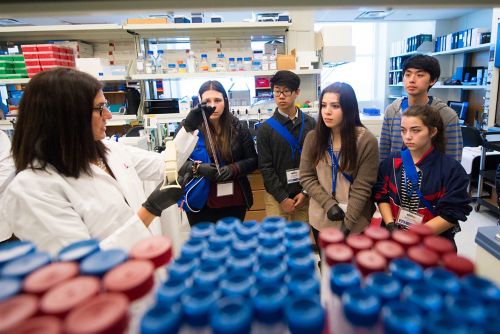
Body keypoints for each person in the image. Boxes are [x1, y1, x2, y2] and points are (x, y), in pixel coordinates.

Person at [0, 67, 213, 254]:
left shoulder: (109, 150)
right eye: (100, 107)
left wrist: (188, 128)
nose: (108, 115)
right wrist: (149, 210)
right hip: (105, 293)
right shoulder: (33, 189)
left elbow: (161, 165)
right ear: (68, 115)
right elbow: (82, 263)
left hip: (147, 273)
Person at [373, 104, 472, 246]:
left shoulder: (451, 170)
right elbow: (381, 196)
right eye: (403, 130)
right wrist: (390, 225)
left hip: (431, 242)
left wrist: (414, 235)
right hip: (393, 239)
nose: (407, 137)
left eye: (416, 130)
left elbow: (451, 214)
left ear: (433, 132)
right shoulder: (391, 162)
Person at [300, 82, 379, 241]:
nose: (327, 112)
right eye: (323, 105)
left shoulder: (365, 141)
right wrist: (328, 204)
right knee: (326, 265)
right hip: (321, 217)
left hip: (355, 221)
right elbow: (306, 176)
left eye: (335, 106)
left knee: (351, 265)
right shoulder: (313, 138)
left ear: (348, 108)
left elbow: (363, 186)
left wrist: (348, 226)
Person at [178, 80, 258, 225]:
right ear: (199, 103)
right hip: (201, 201)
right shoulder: (189, 129)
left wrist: (233, 169)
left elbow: (253, 160)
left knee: (232, 242)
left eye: (217, 100)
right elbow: (173, 162)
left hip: (233, 201)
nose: (213, 105)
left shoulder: (239, 128)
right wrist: (198, 169)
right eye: (207, 101)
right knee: (205, 244)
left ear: (225, 102)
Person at [380, 54, 463, 162]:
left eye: (419, 75)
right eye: (408, 75)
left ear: (432, 80)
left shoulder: (446, 115)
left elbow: (453, 159)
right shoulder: (392, 110)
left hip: (432, 176)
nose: (412, 80)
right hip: (394, 176)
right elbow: (383, 152)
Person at [257, 70, 316, 221]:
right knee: (276, 241)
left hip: (305, 195)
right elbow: (266, 167)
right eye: (277, 92)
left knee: (300, 241)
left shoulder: (311, 124)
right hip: (276, 198)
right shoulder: (265, 129)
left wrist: (305, 192)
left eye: (286, 91)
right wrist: (282, 198)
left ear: (297, 92)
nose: (281, 96)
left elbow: (317, 161)